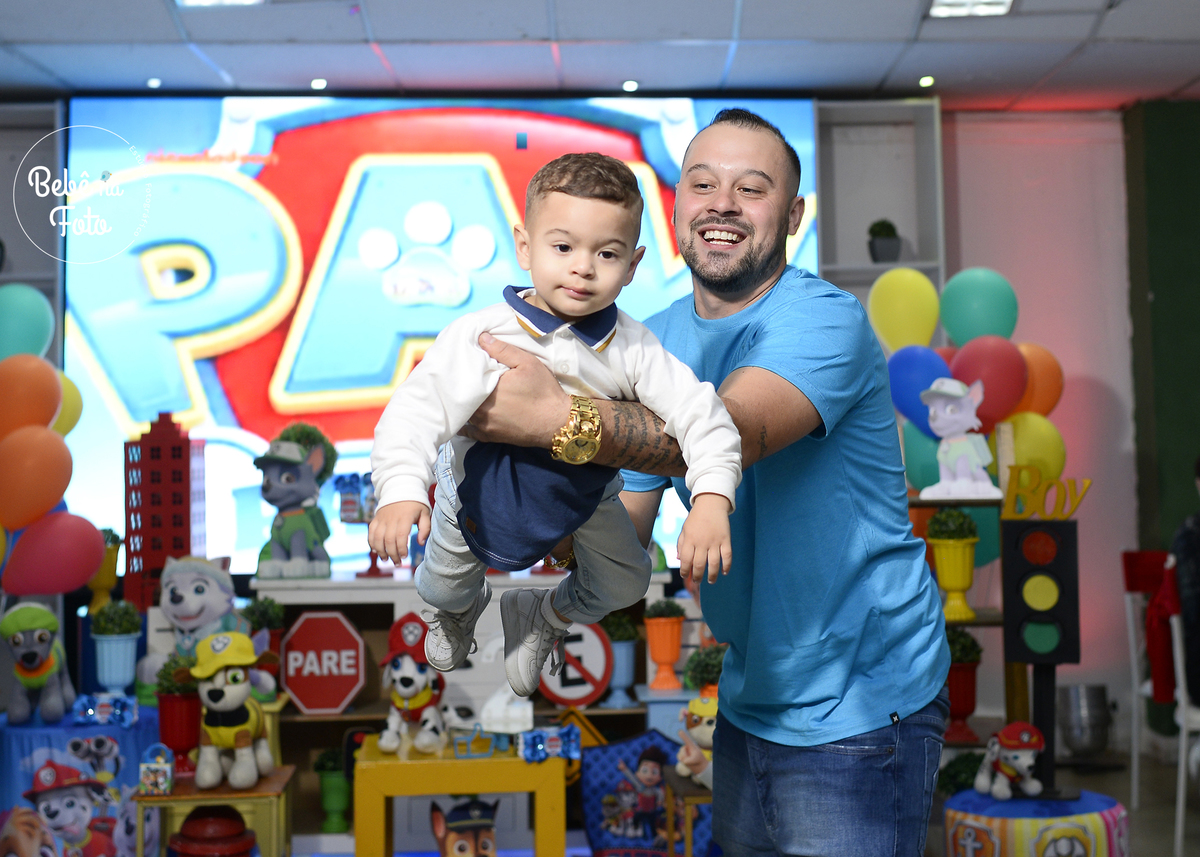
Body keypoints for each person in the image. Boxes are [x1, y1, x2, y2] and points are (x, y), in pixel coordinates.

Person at [462, 109, 951, 855]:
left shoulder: (824, 319)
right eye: (702, 184)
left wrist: (556, 419)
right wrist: (521, 507)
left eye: (751, 189)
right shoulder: (650, 339)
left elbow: (733, 432)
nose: (722, 203)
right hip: (751, 695)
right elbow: (626, 521)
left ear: (793, 217)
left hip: (861, 700)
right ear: (676, 207)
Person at [369, 152, 742, 699]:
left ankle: (543, 614)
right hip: (473, 490)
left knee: (628, 581)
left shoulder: (634, 347)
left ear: (633, 265)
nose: (583, 268)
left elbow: (703, 414)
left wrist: (711, 499)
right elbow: (414, 410)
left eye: (606, 253)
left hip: (584, 494)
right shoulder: (483, 334)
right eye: (563, 247)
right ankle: (458, 609)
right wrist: (400, 491)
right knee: (442, 587)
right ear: (524, 247)